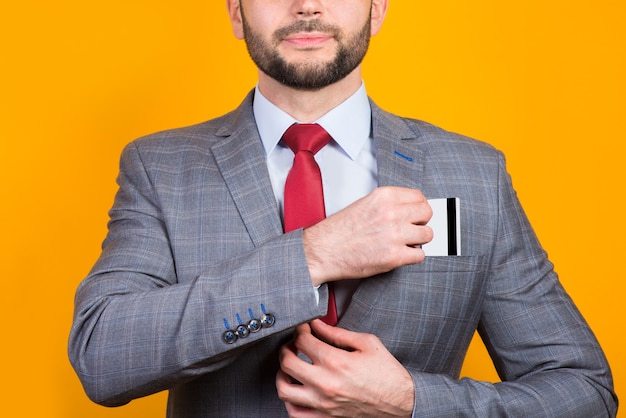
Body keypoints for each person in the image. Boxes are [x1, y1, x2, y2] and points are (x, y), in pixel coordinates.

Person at [69, 0, 618, 416]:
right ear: (235, 12)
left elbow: (583, 390)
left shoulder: (472, 175)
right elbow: (103, 356)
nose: (307, 5)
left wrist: (411, 400)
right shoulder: (160, 167)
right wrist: (312, 254)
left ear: (378, 8)